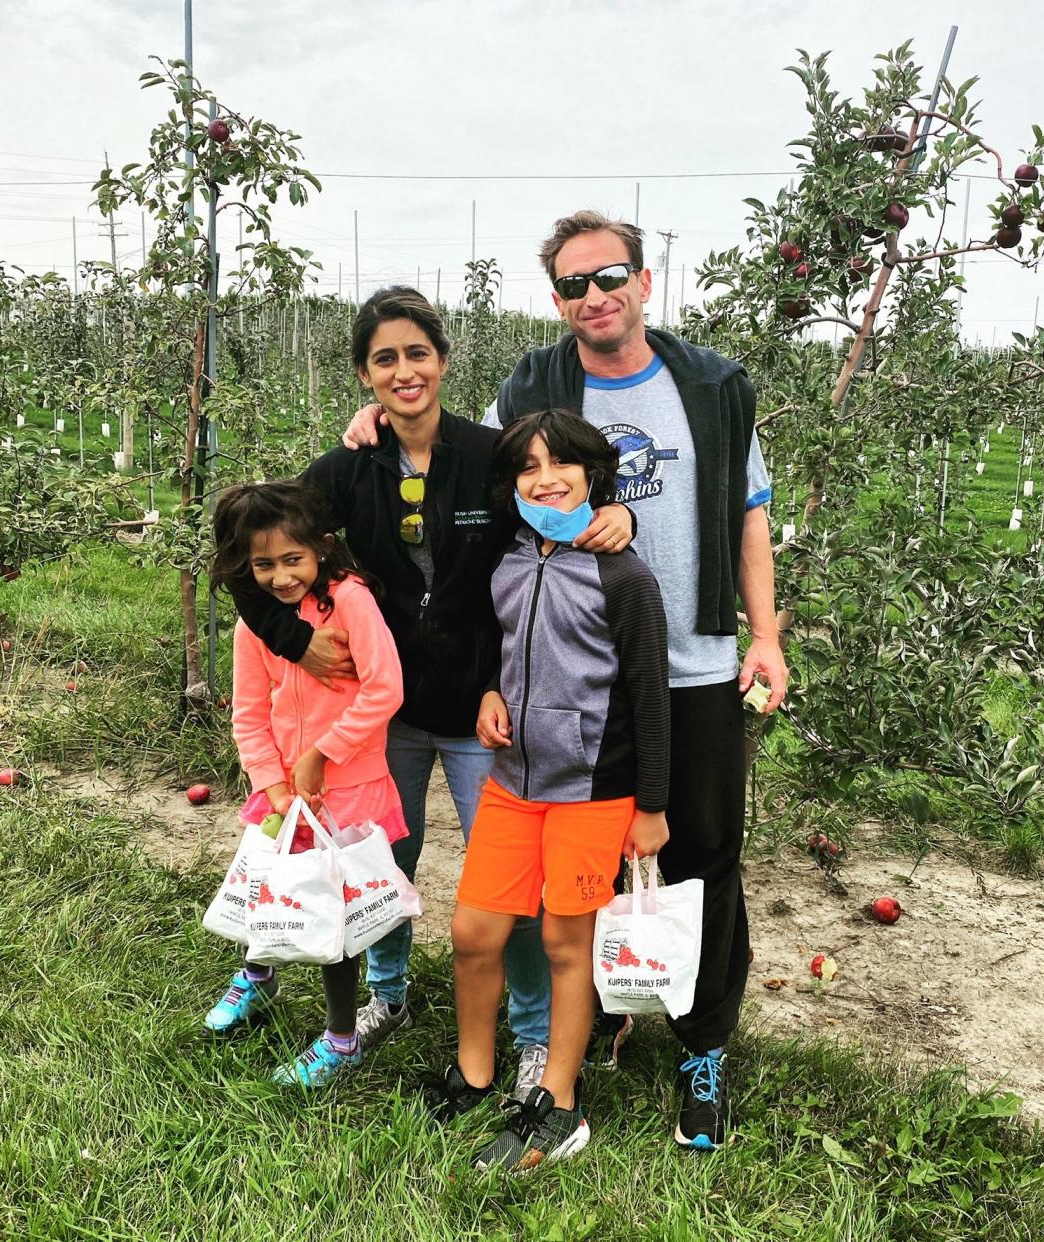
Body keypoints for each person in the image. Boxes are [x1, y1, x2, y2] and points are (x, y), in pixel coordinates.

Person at [342, 211, 787, 1150]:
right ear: (557, 300)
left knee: (700, 854)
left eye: (610, 276)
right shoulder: (537, 382)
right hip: (562, 685)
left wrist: (766, 634)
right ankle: (603, 1020)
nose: (594, 296)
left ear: (644, 281)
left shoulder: (712, 385)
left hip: (694, 659)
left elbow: (751, 513)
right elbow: (485, 465)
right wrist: (383, 423)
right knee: (586, 876)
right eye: (575, 285)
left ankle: (699, 1050)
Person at [233, 287, 634, 1101]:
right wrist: (293, 639)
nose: (405, 370)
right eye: (386, 358)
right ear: (364, 375)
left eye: (418, 353)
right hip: (385, 716)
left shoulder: (489, 456)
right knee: (385, 863)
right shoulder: (344, 470)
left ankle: (529, 1033)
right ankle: (385, 995)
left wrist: (613, 507)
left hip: (485, 711)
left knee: (511, 889)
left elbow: (550, 516)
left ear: (443, 362)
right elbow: (254, 556)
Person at [432, 410, 670, 1171]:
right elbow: (499, 645)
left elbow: (649, 695)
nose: (546, 479)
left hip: (592, 790)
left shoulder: (624, 576)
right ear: (512, 484)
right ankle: (476, 1072)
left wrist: (652, 808)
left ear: (594, 475)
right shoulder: (506, 560)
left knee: (568, 944)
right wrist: (489, 692)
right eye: (528, 468)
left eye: (561, 464)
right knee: (474, 932)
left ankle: (559, 1105)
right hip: (512, 782)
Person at [205, 480, 406, 1089]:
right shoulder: (258, 626)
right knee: (269, 890)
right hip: (285, 795)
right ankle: (258, 979)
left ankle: (342, 1041)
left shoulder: (349, 601)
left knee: (333, 923)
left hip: (350, 790)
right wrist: (271, 780)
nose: (281, 577)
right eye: (263, 565)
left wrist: (322, 754)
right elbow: (248, 711)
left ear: (321, 547)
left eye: (293, 560)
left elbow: (385, 688)